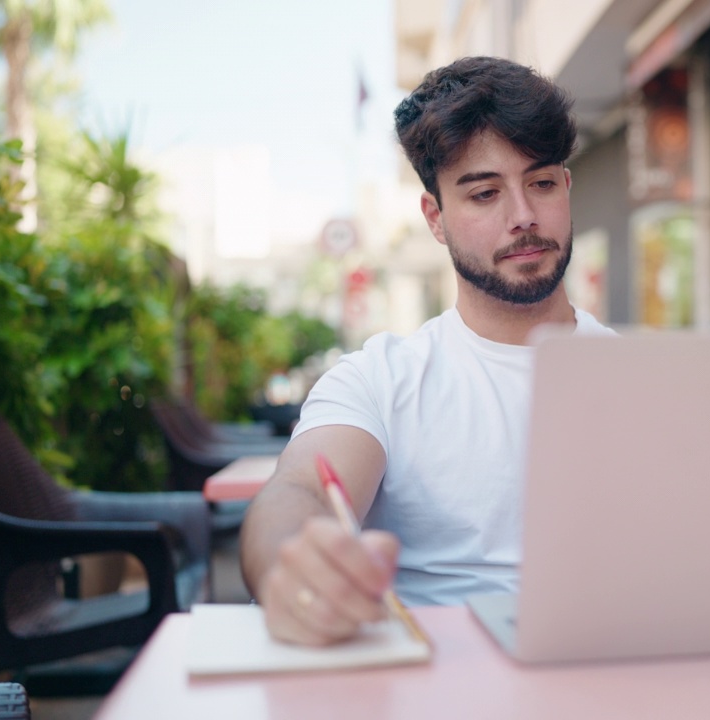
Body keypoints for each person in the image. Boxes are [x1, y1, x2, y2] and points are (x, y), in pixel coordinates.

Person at [239, 56, 614, 646]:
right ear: (435, 219)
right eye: (485, 193)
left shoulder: (647, 380)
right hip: (431, 678)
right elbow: (299, 492)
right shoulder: (380, 379)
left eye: (540, 183)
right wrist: (295, 563)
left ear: (566, 188)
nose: (523, 217)